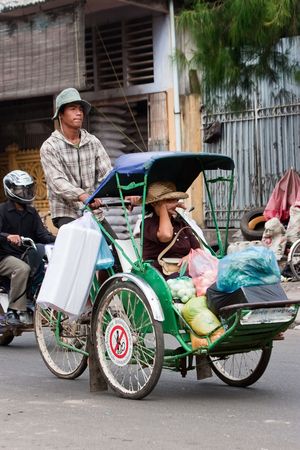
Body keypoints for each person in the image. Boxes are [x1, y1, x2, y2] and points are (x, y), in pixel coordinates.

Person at [40, 87, 113, 230]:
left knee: (114, 249)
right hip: (66, 211)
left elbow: (107, 174)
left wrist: (126, 194)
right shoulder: (50, 147)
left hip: (93, 212)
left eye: (80, 109)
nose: (79, 113)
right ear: (61, 113)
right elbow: (57, 182)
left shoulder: (93, 142)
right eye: (73, 109)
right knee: (78, 246)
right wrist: (82, 195)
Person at [0, 170, 56, 325]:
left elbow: (42, 235)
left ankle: (34, 300)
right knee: (22, 269)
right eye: (20, 189)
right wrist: (7, 236)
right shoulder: (2, 210)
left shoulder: (31, 213)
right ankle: (14, 310)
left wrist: (62, 238)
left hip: (23, 254)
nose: (25, 193)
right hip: (3, 257)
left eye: (27, 189)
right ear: (10, 189)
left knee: (44, 261)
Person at [141, 181, 200, 278]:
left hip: (186, 271)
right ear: (154, 203)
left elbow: (198, 249)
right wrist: (164, 207)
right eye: (169, 200)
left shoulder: (180, 223)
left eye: (175, 200)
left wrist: (190, 256)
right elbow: (166, 235)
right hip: (160, 274)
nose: (175, 204)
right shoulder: (148, 223)